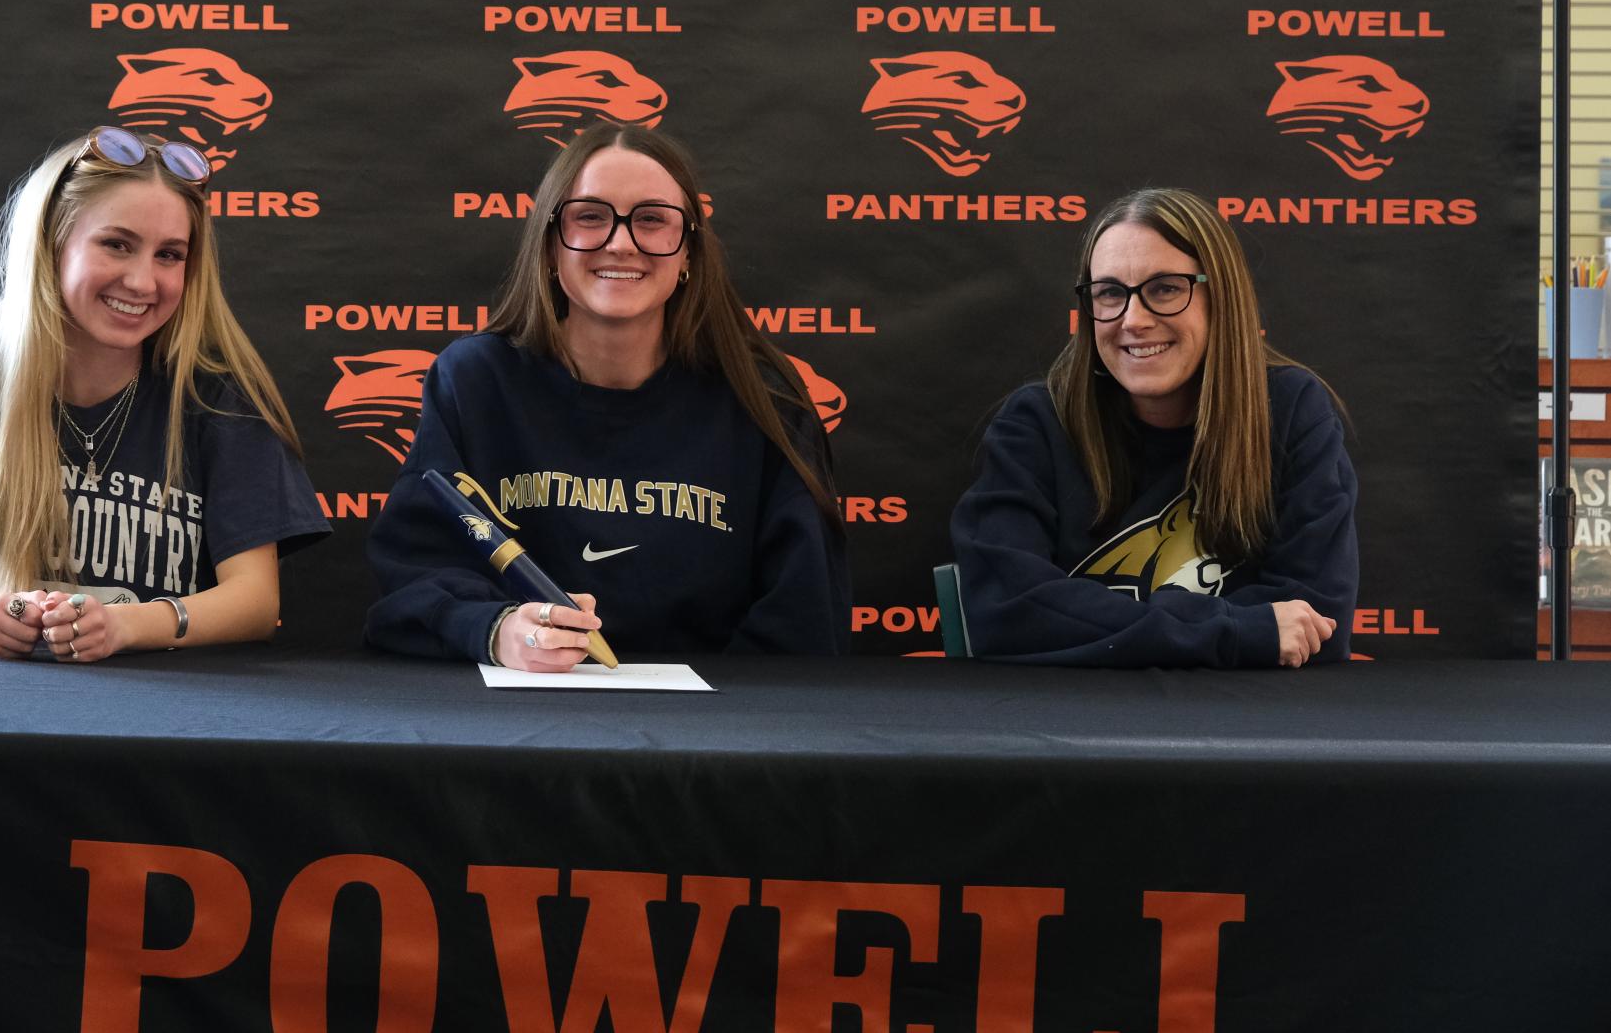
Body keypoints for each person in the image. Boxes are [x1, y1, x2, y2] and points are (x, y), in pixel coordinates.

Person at [0, 127, 328, 660]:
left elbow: (256, 602)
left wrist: (127, 626)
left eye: (169, 255)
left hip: (165, 718)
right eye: (117, 245)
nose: (143, 282)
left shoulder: (216, 397)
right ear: (51, 242)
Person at [363, 123, 850, 669]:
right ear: (550, 245)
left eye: (651, 220)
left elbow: (804, 613)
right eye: (590, 217)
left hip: (714, 733)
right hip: (515, 722)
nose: (621, 242)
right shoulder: (475, 381)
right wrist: (497, 631)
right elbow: (414, 577)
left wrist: (706, 730)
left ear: (688, 251)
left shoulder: (764, 398)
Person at [949, 187, 1357, 667]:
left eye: (1165, 288)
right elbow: (1003, 609)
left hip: (1243, 728)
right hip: (1070, 728)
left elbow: (1313, 623)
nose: (1133, 319)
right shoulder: (1037, 422)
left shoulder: (1290, 410)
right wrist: (1236, 630)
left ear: (1220, 297)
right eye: (1109, 293)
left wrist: (1088, 622)